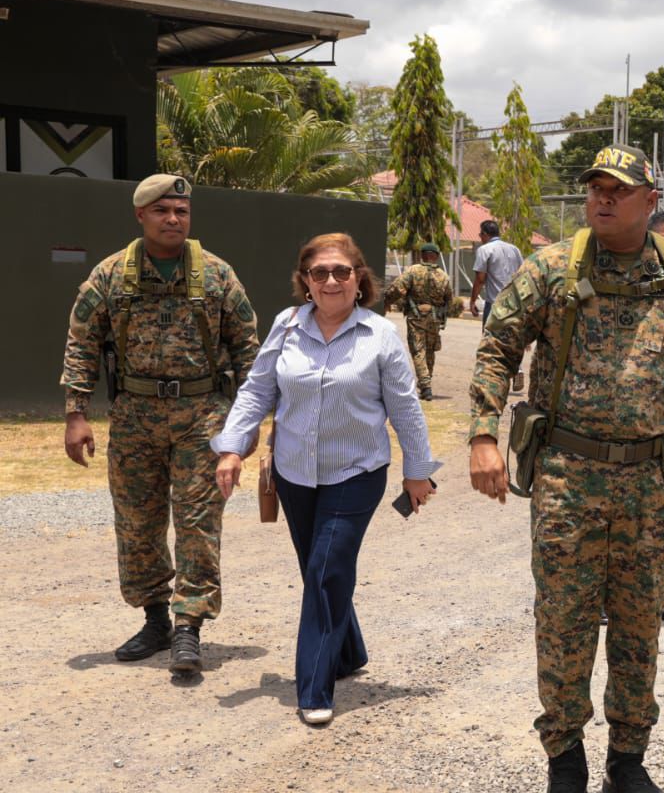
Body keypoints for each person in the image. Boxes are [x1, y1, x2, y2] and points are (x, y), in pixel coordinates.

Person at [467, 144, 664, 793]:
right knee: (562, 621)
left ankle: (628, 761)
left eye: (617, 189)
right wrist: (481, 434)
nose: (602, 198)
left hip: (650, 481)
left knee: (638, 623)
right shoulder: (553, 270)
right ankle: (564, 765)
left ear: (649, 201)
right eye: (595, 187)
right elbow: (497, 346)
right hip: (568, 474)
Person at [212, 233, 440, 725]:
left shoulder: (380, 335)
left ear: (359, 279)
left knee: (325, 571)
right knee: (320, 569)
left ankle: (315, 687)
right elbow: (257, 390)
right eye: (320, 272)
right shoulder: (286, 326)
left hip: (356, 472)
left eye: (341, 271)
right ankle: (349, 650)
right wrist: (232, 448)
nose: (331, 280)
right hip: (295, 473)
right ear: (306, 280)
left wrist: (417, 472)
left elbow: (404, 408)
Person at [60, 174, 260, 673]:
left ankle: (189, 625)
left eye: (181, 211)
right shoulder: (111, 275)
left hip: (202, 415)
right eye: (162, 211)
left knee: (197, 522)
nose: (173, 219)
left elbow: (248, 349)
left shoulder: (217, 274)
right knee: (137, 522)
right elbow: (82, 342)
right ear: (141, 215)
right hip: (134, 416)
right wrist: (76, 413)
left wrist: (248, 422)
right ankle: (155, 620)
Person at [384, 241, 452, 401]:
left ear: (422, 255)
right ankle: (426, 383)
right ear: (436, 257)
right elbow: (449, 299)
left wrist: (386, 301)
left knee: (418, 350)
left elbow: (397, 288)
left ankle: (425, 386)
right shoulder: (443, 275)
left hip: (416, 316)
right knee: (430, 350)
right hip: (434, 318)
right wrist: (442, 315)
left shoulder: (413, 271)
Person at [468, 219, 523, 322]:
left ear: (485, 234)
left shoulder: (484, 250)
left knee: (491, 332)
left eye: (480, 235)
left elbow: (480, 280)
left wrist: (472, 302)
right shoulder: (515, 249)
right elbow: (521, 274)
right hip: (514, 304)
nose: (480, 238)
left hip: (495, 304)